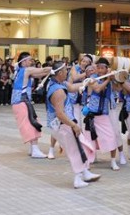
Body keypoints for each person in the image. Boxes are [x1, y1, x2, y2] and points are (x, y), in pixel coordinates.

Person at [46, 61, 101, 189]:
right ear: (59, 73)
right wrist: (74, 125)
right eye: (65, 70)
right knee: (75, 150)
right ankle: (78, 178)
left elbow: (72, 87)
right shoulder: (58, 91)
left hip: (64, 124)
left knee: (82, 146)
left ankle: (85, 172)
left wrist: (87, 82)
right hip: (64, 124)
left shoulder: (58, 83)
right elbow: (60, 114)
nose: (67, 71)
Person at [82, 58, 122, 170]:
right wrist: (108, 79)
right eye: (98, 67)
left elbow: (119, 88)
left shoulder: (109, 80)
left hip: (104, 114)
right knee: (89, 140)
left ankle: (113, 161)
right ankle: (87, 162)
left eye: (102, 68)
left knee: (111, 137)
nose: (99, 70)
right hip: (92, 114)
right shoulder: (92, 78)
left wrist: (116, 79)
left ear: (106, 69)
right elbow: (98, 89)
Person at [11, 52, 53, 158]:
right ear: (24, 61)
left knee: (33, 122)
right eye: (30, 60)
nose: (32, 62)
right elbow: (43, 70)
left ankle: (33, 149)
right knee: (32, 124)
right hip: (22, 102)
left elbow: (39, 74)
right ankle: (34, 149)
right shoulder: (27, 70)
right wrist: (54, 67)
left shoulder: (21, 71)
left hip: (21, 102)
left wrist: (49, 71)